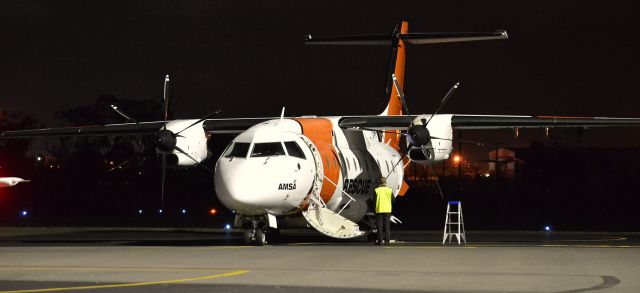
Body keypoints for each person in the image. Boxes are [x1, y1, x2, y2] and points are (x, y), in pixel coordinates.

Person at [374, 177, 393, 245]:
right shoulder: (389, 190)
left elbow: (374, 201)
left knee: (379, 226)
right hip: (387, 210)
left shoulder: (376, 190)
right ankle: (387, 241)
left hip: (379, 209)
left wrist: (374, 209)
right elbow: (393, 200)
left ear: (379, 183)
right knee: (387, 226)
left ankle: (380, 241)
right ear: (385, 183)